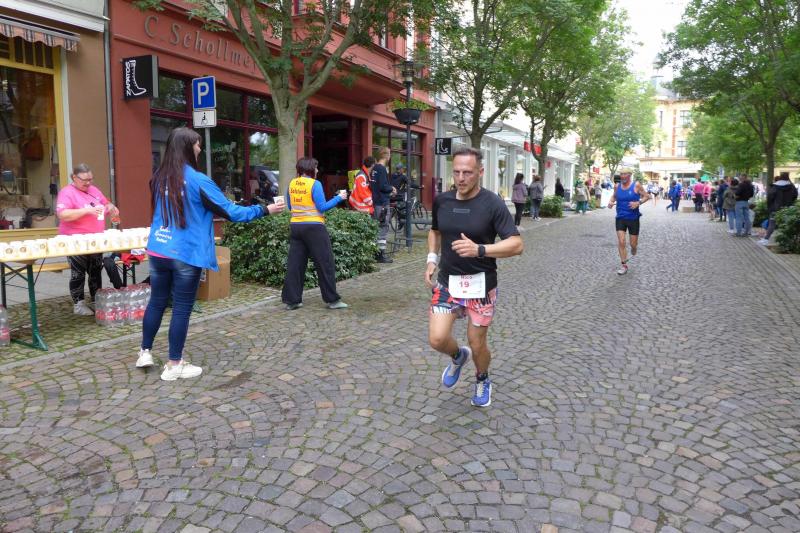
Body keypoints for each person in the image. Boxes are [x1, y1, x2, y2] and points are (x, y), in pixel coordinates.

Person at [138, 127, 283, 379]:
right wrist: (265, 210)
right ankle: (174, 365)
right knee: (182, 308)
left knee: (157, 301)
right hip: (185, 252)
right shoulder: (198, 180)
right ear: (187, 148)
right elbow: (231, 212)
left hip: (158, 249)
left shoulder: (159, 177)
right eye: (197, 145)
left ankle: (144, 352)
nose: (199, 149)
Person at [425, 147, 523, 408]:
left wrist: (480, 249)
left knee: (477, 343)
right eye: (456, 172)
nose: (461, 178)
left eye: (467, 172)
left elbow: (516, 244)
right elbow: (435, 231)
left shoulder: (492, 203)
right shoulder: (443, 201)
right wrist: (432, 258)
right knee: (437, 339)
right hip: (448, 282)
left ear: (480, 172)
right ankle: (458, 356)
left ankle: (482, 378)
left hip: (481, 286)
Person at [282, 157, 348, 310]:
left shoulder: (292, 183)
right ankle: (332, 300)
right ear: (310, 169)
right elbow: (322, 207)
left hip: (296, 227)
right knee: (325, 263)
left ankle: (292, 301)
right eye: (316, 168)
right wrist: (339, 198)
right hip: (314, 228)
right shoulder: (315, 184)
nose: (317, 170)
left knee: (295, 264)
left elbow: (291, 206)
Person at [56, 163, 120, 316]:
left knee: (95, 271)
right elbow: (63, 214)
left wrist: (111, 208)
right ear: (74, 177)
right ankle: (78, 304)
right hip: (75, 240)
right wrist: (87, 211)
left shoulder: (94, 190)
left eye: (90, 179)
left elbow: (106, 203)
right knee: (78, 272)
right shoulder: (67, 192)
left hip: (95, 239)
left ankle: (96, 299)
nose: (88, 183)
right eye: (84, 180)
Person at [607, 169, 650, 275]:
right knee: (621, 241)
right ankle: (624, 265)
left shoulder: (636, 185)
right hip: (620, 217)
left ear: (630, 175)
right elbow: (614, 196)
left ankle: (634, 248)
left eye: (625, 174)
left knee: (633, 244)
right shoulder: (617, 186)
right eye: (621, 174)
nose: (622, 176)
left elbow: (647, 196)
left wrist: (638, 203)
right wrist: (611, 201)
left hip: (633, 218)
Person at [371, 147, 395, 263]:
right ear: (386, 155)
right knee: (383, 227)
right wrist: (392, 189)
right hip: (382, 203)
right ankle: (380, 255)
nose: (390, 157)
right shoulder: (381, 169)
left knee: (377, 228)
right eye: (389, 154)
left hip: (376, 202)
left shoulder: (374, 168)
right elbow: (383, 186)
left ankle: (375, 253)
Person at [761, 172, 798, 245]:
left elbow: (770, 197)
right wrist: (790, 203)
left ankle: (766, 239)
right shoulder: (791, 186)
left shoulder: (775, 186)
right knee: (787, 225)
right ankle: (787, 241)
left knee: (772, 224)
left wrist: (770, 206)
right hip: (788, 209)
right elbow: (795, 195)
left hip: (775, 208)